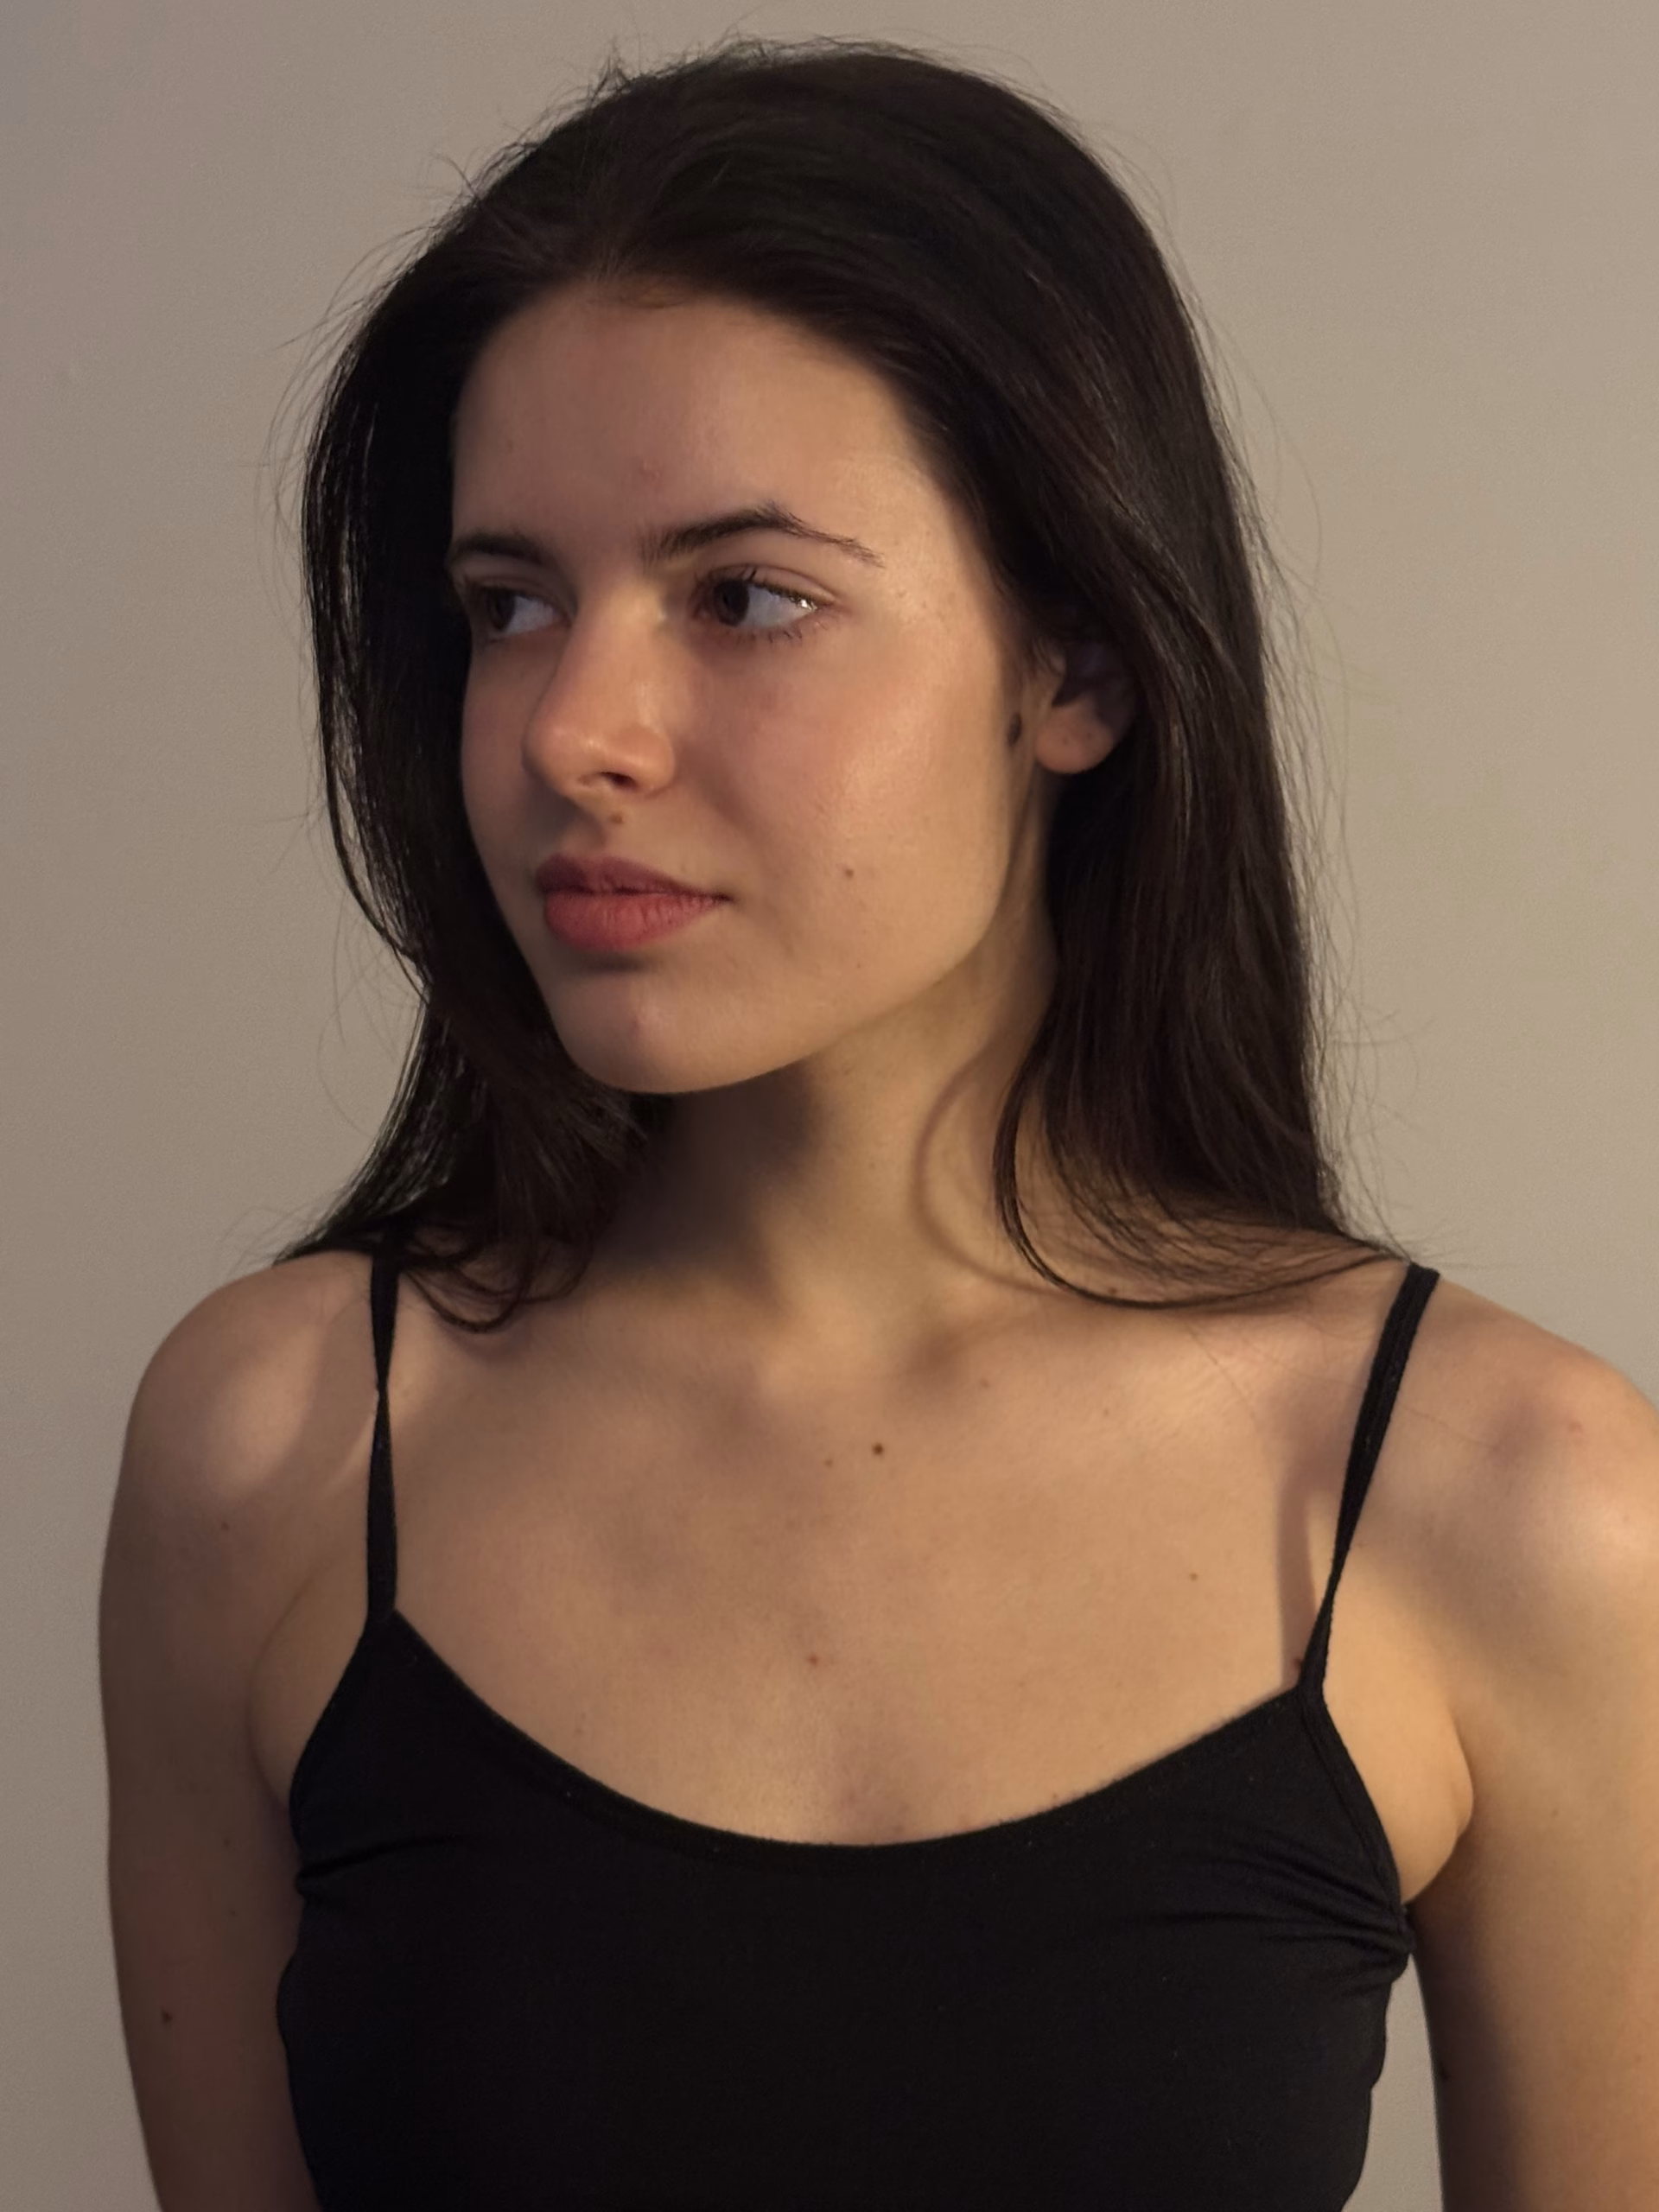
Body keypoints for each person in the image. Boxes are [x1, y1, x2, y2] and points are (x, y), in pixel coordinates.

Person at [99, 33, 1659, 2211]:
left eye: (746, 595)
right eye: (508, 603)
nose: (571, 730)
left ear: (1077, 665)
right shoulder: (273, 1455)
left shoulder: (1507, 1498)